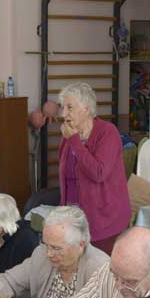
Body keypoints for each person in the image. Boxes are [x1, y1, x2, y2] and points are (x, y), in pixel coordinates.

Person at [0, 206, 110, 298]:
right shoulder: (41, 255)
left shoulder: (100, 269)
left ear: (81, 245)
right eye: (46, 245)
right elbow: (5, 280)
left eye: (56, 248)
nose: (48, 254)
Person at [58, 83, 133, 254]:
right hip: (74, 219)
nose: (64, 114)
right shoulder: (69, 136)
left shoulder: (107, 132)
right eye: (64, 108)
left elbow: (99, 173)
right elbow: (66, 180)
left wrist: (75, 142)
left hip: (105, 219)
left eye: (69, 107)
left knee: (104, 274)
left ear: (86, 108)